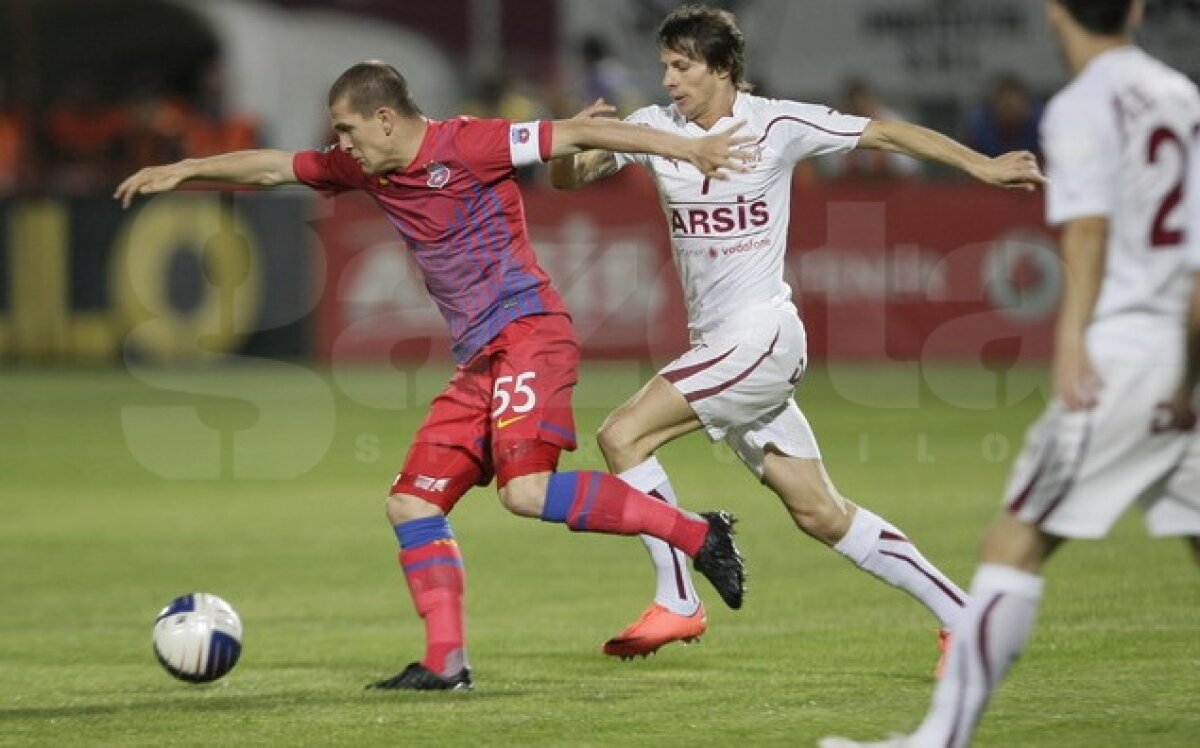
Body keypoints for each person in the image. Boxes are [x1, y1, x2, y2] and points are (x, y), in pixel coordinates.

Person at [115, 60, 754, 692]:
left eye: (347, 129)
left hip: (529, 332)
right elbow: (274, 166)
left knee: (525, 492)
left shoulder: (471, 142)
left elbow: (586, 136)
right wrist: (186, 170)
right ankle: (446, 663)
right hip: (480, 359)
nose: (340, 145)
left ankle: (699, 532)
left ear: (385, 119)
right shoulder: (366, 166)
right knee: (410, 503)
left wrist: (688, 146)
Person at [549, 4, 1044, 668]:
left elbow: (888, 137)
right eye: (664, 65)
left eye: (682, 66)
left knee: (622, 434)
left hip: (761, 337)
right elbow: (570, 179)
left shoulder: (776, 123)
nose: (668, 80)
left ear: (722, 68)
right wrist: (575, 141)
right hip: (721, 347)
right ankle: (964, 616)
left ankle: (679, 600)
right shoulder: (654, 128)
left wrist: (981, 166)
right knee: (820, 513)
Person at [820, 1, 1200, 746]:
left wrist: (1069, 339)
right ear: (1138, 9)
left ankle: (939, 741)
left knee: (1013, 544)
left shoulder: (1082, 105)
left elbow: (1087, 229)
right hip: (1181, 348)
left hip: (1121, 355)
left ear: (1055, 13)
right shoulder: (1181, 95)